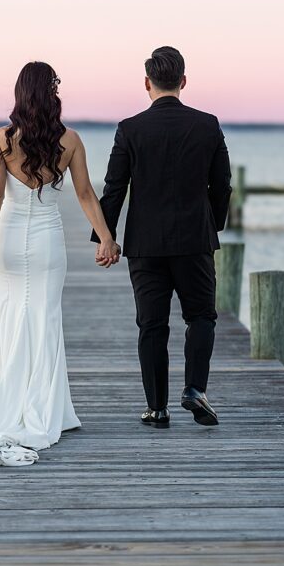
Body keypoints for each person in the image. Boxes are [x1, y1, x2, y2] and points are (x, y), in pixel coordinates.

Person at [0, 62, 120, 469]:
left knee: (7, 316)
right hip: (46, 242)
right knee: (43, 318)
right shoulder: (70, 140)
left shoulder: (1, 139)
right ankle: (44, 409)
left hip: (6, 241)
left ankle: (3, 400)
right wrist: (106, 237)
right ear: (53, 91)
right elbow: (86, 194)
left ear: (20, 93)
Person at [93, 46, 232, 427]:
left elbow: (114, 189)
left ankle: (157, 408)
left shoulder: (130, 128)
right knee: (201, 317)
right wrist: (213, 224)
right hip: (194, 241)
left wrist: (104, 237)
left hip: (145, 245)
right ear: (183, 81)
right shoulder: (207, 124)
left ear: (146, 83)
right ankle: (195, 389)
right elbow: (222, 184)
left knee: (151, 325)